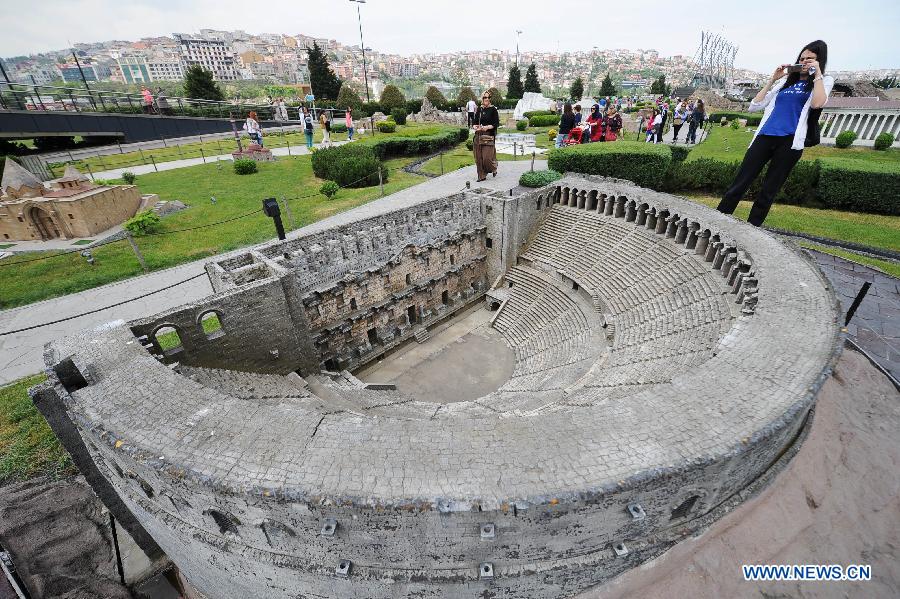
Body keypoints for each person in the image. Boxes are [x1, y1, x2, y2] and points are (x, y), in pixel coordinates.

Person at [717, 41, 833, 227]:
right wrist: (773, 78)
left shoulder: (823, 81)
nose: (804, 62)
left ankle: (751, 229)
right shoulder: (784, 83)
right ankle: (718, 221)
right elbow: (755, 106)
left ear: (819, 61)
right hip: (765, 136)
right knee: (740, 182)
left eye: (809, 59)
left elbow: (817, 104)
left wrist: (817, 73)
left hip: (789, 142)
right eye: (801, 59)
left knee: (768, 190)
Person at [472, 91, 499, 181]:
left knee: (486, 159)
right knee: (478, 158)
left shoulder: (493, 109)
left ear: (490, 99)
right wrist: (475, 126)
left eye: (488, 97)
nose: (486, 99)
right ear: (482, 99)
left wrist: (486, 127)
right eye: (485, 97)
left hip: (488, 136)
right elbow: (474, 122)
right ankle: (481, 176)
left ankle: (494, 166)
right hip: (478, 135)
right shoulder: (479, 109)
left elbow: (496, 124)